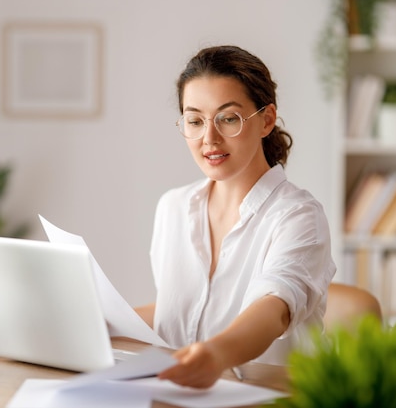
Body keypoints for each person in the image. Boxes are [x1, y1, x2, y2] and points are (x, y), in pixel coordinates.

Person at [135, 45, 336, 389]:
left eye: (228, 118)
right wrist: (95, 320)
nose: (209, 139)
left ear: (266, 120)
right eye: (195, 121)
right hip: (179, 395)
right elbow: (178, 309)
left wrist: (216, 354)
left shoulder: (298, 216)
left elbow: (272, 309)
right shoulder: (172, 208)